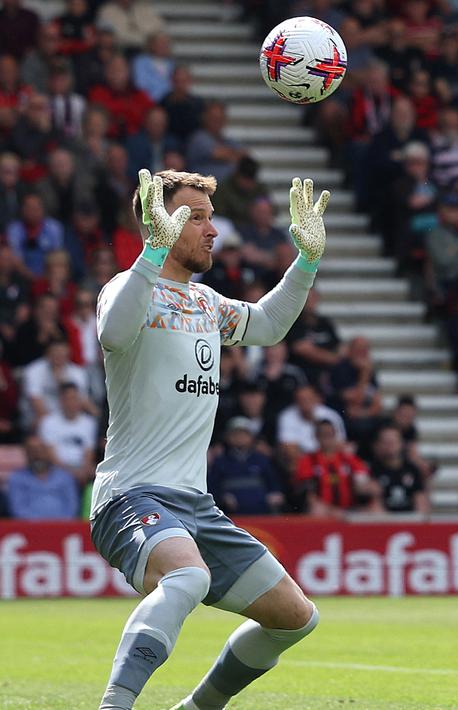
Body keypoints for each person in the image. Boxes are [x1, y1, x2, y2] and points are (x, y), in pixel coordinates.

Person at [88, 169, 329, 710]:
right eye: (194, 217)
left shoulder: (204, 302)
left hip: (196, 505)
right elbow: (113, 333)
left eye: (209, 216)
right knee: (188, 575)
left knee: (295, 619)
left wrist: (306, 263)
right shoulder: (128, 289)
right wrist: (151, 253)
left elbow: (266, 325)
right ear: (160, 225)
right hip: (132, 495)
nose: (211, 229)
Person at [207, 417, 284, 516]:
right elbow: (212, 489)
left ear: (252, 437)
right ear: (228, 437)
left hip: (262, 514)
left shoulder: (262, 460)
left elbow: (274, 485)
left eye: (244, 433)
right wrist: (222, 498)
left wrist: (274, 495)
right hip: (230, 515)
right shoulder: (220, 462)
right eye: (235, 434)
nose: (240, 437)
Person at [6, 436, 79, 520]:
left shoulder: (65, 477)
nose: (37, 454)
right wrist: (41, 526)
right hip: (28, 528)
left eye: (41, 449)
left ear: (48, 452)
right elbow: (17, 509)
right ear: (26, 453)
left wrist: (58, 525)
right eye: (32, 450)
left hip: (63, 527)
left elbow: (72, 507)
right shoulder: (17, 478)